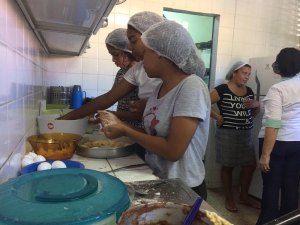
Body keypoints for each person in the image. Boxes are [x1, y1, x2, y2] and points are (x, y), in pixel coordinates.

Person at [98, 20, 210, 200]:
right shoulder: (159, 89)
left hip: (184, 188)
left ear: (161, 55)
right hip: (158, 178)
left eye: (147, 52)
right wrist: (118, 125)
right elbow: (153, 135)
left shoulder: (191, 87)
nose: (141, 57)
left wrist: (125, 129)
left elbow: (173, 151)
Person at [59, 11, 164, 121]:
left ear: (153, 37)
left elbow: (162, 113)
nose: (129, 47)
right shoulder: (136, 70)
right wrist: (66, 118)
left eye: (133, 41)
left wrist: (148, 107)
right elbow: (108, 98)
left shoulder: (170, 74)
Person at [255, 48, 300, 225]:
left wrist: (265, 155)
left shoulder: (278, 89)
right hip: (297, 143)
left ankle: (267, 221)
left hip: (277, 145)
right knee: (290, 187)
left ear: (279, 65)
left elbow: (273, 123)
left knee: (271, 187)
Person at [210, 61, 260, 212]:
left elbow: (253, 114)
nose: (247, 77)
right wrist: (217, 117)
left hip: (246, 133)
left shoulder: (250, 91)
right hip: (227, 133)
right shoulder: (222, 89)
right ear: (234, 73)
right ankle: (229, 199)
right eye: (244, 73)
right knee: (228, 166)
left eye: (249, 74)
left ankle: (243, 196)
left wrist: (256, 106)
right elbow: (203, 102)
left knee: (250, 165)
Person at [104, 28, 143, 129]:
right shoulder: (121, 73)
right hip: (121, 128)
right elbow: (110, 97)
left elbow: (140, 115)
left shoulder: (143, 73)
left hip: (137, 130)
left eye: (116, 54)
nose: (113, 59)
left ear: (128, 51)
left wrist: (112, 114)